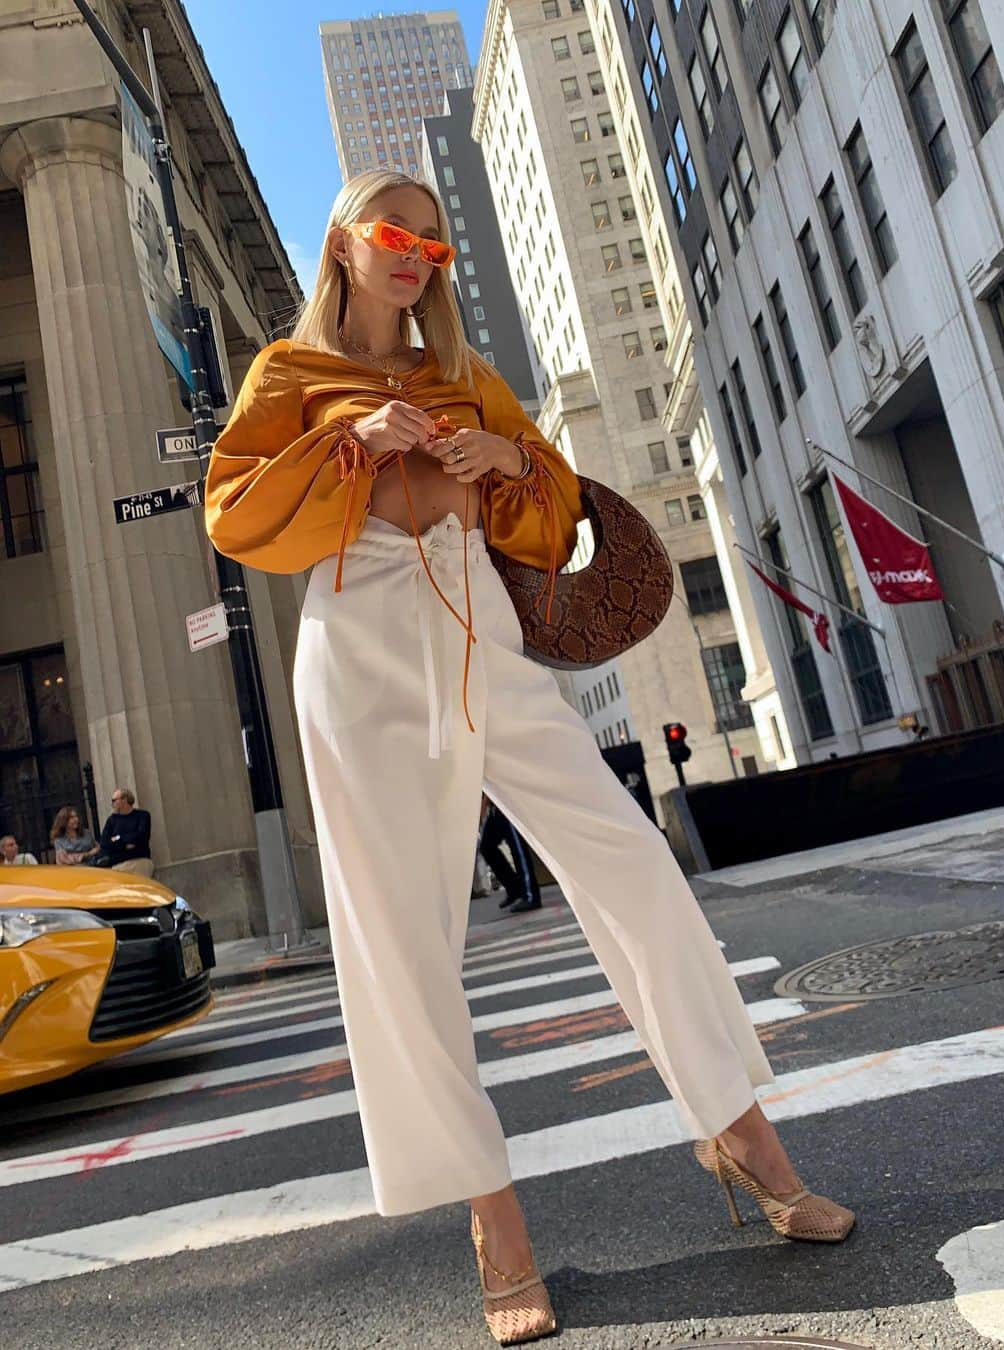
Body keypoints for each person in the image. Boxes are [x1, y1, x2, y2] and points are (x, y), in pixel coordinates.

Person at [205, 169, 853, 1347]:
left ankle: (737, 1132)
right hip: (359, 644)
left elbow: (552, 511)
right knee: (400, 942)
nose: (416, 254)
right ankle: (493, 1220)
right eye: (395, 233)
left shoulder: (466, 378)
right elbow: (233, 512)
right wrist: (351, 438)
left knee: (633, 867)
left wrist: (499, 467)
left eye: (435, 244)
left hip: (479, 625)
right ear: (345, 244)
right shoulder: (287, 378)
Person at [478, 794, 541, 913]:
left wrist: (484, 806)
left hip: (507, 802)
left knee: (518, 849)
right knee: (487, 846)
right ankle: (514, 888)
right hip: (496, 806)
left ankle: (531, 896)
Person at [97, 788, 154, 877]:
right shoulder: (112, 820)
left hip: (139, 860)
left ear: (124, 799)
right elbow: (105, 843)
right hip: (117, 865)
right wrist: (124, 844)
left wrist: (117, 838)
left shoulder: (142, 815)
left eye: (114, 800)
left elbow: (142, 837)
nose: (112, 803)